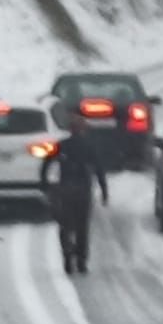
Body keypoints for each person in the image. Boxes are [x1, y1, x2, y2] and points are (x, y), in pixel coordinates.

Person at [40, 113, 109, 274]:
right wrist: (104, 190)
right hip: (83, 190)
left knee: (65, 225)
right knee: (82, 227)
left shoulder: (61, 145)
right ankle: (81, 261)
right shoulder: (89, 146)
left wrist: (45, 184)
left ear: (70, 129)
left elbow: (46, 164)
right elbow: (99, 169)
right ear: (83, 129)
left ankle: (67, 257)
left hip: (65, 188)